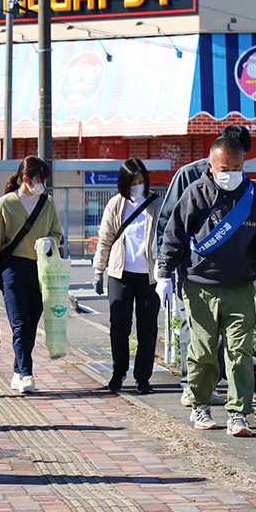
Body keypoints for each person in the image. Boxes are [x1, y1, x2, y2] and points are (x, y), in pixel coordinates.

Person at [157, 134, 256, 438]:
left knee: (240, 351)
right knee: (203, 350)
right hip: (199, 286)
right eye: (224, 168)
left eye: (236, 167)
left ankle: (238, 413)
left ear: (243, 164)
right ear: (211, 165)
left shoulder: (254, 195)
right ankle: (201, 405)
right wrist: (163, 275)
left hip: (240, 285)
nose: (230, 174)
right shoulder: (195, 193)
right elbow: (174, 236)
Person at [157, 125, 252, 407]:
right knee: (194, 331)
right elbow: (167, 224)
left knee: (223, 336)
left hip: (230, 276)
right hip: (192, 271)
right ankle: (190, 385)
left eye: (240, 161)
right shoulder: (188, 176)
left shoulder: (241, 181)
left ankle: (208, 386)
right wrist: (164, 269)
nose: (233, 169)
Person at [0, 156, 63, 394]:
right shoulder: (5, 203)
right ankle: (27, 374)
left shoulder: (47, 203)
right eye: (39, 179)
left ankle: (18, 371)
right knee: (19, 324)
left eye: (45, 180)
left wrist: (50, 241)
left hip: (40, 270)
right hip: (12, 269)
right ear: (26, 179)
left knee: (30, 327)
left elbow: (57, 233)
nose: (43, 184)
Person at [91, 158, 161, 394]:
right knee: (119, 327)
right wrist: (98, 271)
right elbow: (105, 239)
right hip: (120, 274)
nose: (138, 185)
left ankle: (143, 377)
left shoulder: (156, 203)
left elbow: (165, 238)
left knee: (148, 329)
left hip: (149, 276)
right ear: (124, 182)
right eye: (133, 181)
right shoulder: (115, 204)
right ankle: (118, 372)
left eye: (141, 180)